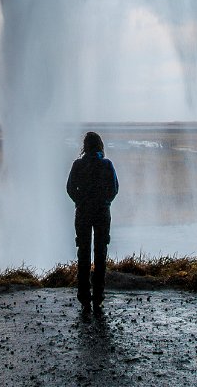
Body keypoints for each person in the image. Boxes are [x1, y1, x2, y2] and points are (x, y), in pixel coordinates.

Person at [66, 131, 119, 312]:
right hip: (102, 213)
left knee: (83, 252)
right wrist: (105, 202)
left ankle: (84, 298)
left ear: (85, 147)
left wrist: (80, 201)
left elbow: (70, 188)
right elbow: (114, 188)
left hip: (82, 213)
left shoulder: (78, 165)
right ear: (100, 147)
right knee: (100, 253)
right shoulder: (106, 164)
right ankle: (98, 296)